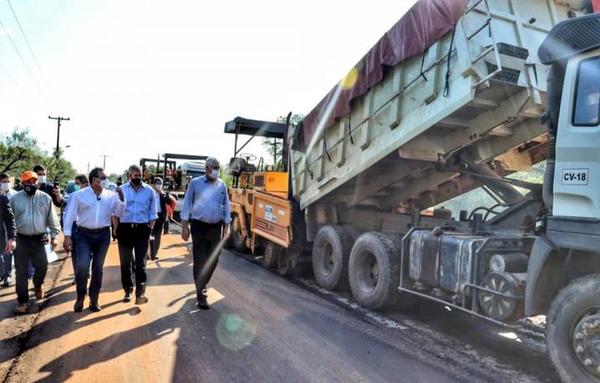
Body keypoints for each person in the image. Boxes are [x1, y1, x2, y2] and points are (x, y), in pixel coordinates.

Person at [64, 168, 123, 312]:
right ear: (93, 180)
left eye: (106, 177)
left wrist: (121, 199)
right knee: (82, 268)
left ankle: (94, 299)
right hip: (83, 235)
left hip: (103, 235)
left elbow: (118, 212)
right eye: (103, 178)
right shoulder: (78, 195)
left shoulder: (111, 196)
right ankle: (80, 297)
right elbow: (70, 216)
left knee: (98, 269)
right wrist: (67, 236)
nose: (106, 180)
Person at [181, 157, 231, 310]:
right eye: (214, 167)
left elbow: (226, 207)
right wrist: (184, 226)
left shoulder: (222, 185)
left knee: (214, 259)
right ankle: (201, 295)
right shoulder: (195, 183)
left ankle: (202, 284)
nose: (216, 169)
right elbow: (187, 204)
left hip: (216, 227)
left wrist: (227, 227)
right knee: (200, 260)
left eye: (218, 167)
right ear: (207, 168)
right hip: (199, 227)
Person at [11, 171, 60, 314]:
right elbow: (9, 221)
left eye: (33, 181)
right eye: (27, 182)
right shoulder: (15, 199)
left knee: (42, 266)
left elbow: (53, 220)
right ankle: (23, 301)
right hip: (21, 238)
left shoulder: (45, 198)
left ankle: (38, 285)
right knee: (21, 272)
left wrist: (54, 236)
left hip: (39, 239)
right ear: (22, 183)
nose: (31, 184)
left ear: (37, 182)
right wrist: (10, 239)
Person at [115, 165, 157, 304]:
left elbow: (153, 213)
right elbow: (115, 211)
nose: (138, 178)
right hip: (125, 229)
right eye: (135, 175)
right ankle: (128, 290)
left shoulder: (149, 191)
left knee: (141, 263)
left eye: (140, 175)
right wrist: (115, 229)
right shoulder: (120, 190)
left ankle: (140, 294)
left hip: (142, 230)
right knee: (125, 262)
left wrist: (149, 230)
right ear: (129, 175)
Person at [62, 174, 89, 285]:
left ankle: (86, 271)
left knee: (88, 252)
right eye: (75, 184)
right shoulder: (73, 195)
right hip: (75, 226)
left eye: (77, 184)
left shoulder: (92, 195)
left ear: (85, 183)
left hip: (86, 227)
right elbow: (67, 213)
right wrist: (66, 233)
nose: (76, 186)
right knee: (75, 253)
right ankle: (78, 275)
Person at [149, 177, 175, 261]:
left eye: (160, 183)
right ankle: (148, 253)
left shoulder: (164, 194)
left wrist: (162, 194)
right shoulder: (150, 193)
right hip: (150, 217)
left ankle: (154, 253)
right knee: (149, 235)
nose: (159, 185)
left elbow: (169, 202)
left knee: (157, 236)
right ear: (153, 184)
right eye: (157, 183)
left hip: (160, 217)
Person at [0, 174, 16, 288]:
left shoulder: (2, 196)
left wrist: (11, 237)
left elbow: (10, 218)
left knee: (6, 253)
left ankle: (7, 275)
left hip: (2, 231)